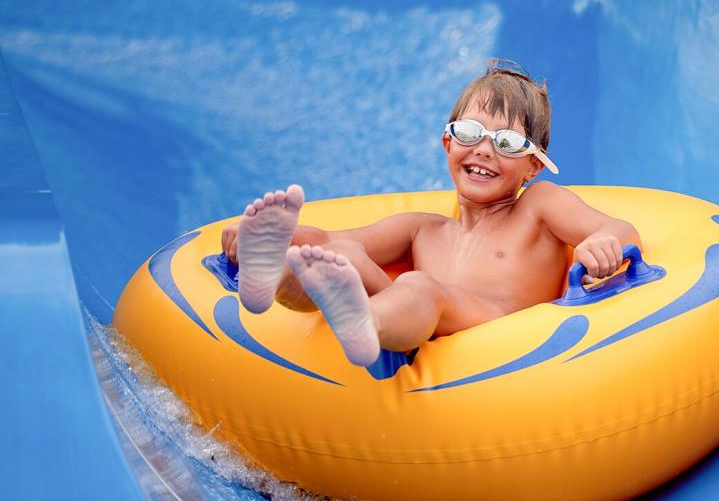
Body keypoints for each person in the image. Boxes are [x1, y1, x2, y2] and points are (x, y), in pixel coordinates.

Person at [220, 60, 639, 367]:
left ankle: (363, 323)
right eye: (470, 133)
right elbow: (329, 240)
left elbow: (618, 229)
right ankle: (271, 279)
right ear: (447, 143)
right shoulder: (423, 230)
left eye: (507, 142)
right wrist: (269, 237)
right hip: (410, 325)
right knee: (342, 254)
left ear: (532, 165)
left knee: (422, 287)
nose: (484, 149)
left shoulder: (539, 206)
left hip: (498, 345)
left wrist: (604, 243)